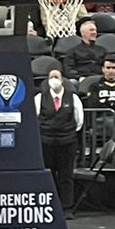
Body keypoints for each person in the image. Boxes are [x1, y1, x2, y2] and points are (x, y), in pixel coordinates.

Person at [34, 69, 84, 213]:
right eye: (51, 77)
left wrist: (68, 132)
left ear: (62, 80)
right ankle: (49, 205)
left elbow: (79, 121)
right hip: (46, 141)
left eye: (56, 77)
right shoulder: (39, 97)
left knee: (66, 175)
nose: (54, 79)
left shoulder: (73, 97)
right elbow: (35, 117)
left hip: (67, 141)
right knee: (49, 174)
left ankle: (67, 207)